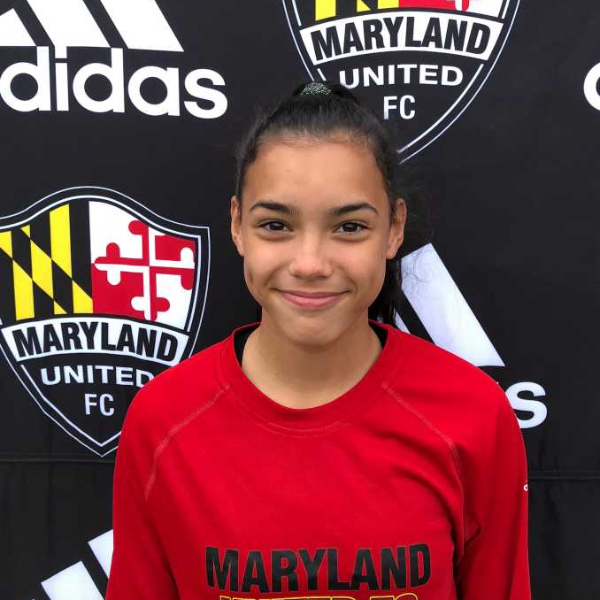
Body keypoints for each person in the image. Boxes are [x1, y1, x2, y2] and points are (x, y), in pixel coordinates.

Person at [105, 81, 531, 600]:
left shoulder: (473, 413)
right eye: (275, 225)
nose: (310, 264)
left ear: (394, 228)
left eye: (349, 227)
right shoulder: (163, 420)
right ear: (237, 225)